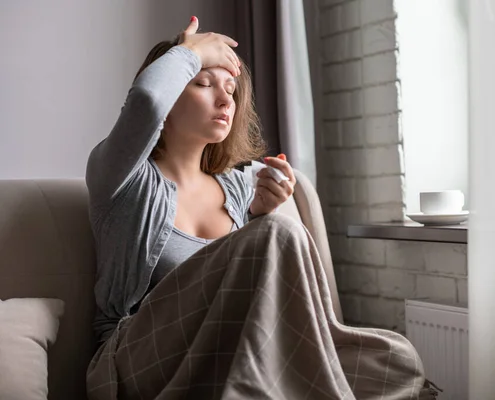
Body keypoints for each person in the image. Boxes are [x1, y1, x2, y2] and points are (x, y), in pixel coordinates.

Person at [86, 16, 424, 400]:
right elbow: (146, 101)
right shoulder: (120, 177)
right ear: (172, 94)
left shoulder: (236, 187)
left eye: (230, 89)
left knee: (397, 361)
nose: (225, 98)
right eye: (202, 83)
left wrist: (260, 215)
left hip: (221, 350)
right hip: (134, 359)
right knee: (280, 233)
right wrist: (189, 52)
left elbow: (257, 308)